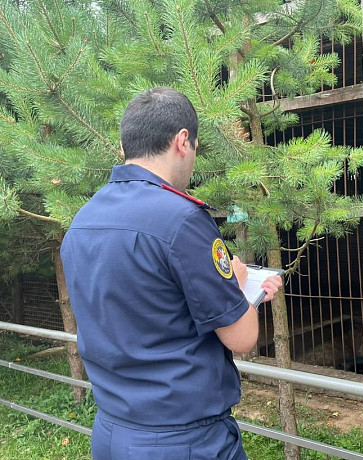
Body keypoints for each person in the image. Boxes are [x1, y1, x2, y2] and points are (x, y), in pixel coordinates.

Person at [60, 87, 283, 460]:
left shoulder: (83, 220)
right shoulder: (181, 220)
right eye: (194, 148)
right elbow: (242, 338)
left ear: (125, 144)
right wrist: (240, 283)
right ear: (183, 141)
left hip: (112, 432)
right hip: (184, 441)